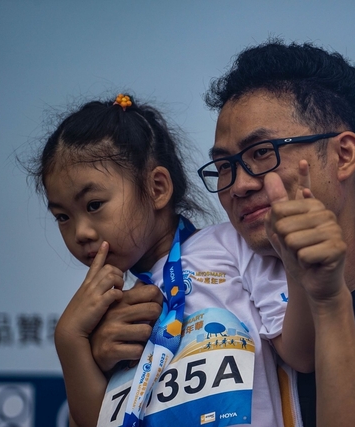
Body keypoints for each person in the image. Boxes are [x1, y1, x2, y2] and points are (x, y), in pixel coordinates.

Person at [93, 40, 355, 427]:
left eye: (261, 153)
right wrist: (96, 357)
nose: (238, 186)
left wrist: (329, 300)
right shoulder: (208, 292)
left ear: (343, 155)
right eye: (225, 166)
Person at [30, 94, 320, 427]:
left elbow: (303, 355)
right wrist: (70, 340)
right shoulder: (109, 317)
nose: (80, 232)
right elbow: (101, 423)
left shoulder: (235, 247)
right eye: (62, 217)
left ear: (157, 188)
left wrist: (299, 269)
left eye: (94, 205)